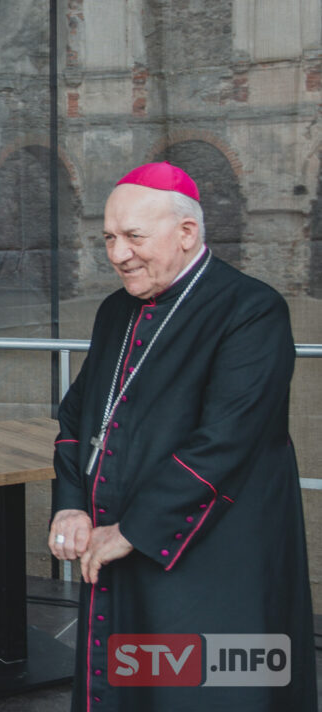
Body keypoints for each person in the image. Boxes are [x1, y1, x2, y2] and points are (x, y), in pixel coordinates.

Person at [48, 162, 315, 710]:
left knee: (199, 687)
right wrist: (72, 504)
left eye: (134, 238)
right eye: (109, 238)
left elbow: (226, 441)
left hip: (211, 553)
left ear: (187, 233)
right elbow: (77, 417)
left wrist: (134, 530)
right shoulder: (114, 311)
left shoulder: (252, 310)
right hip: (117, 542)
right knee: (129, 681)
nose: (118, 254)